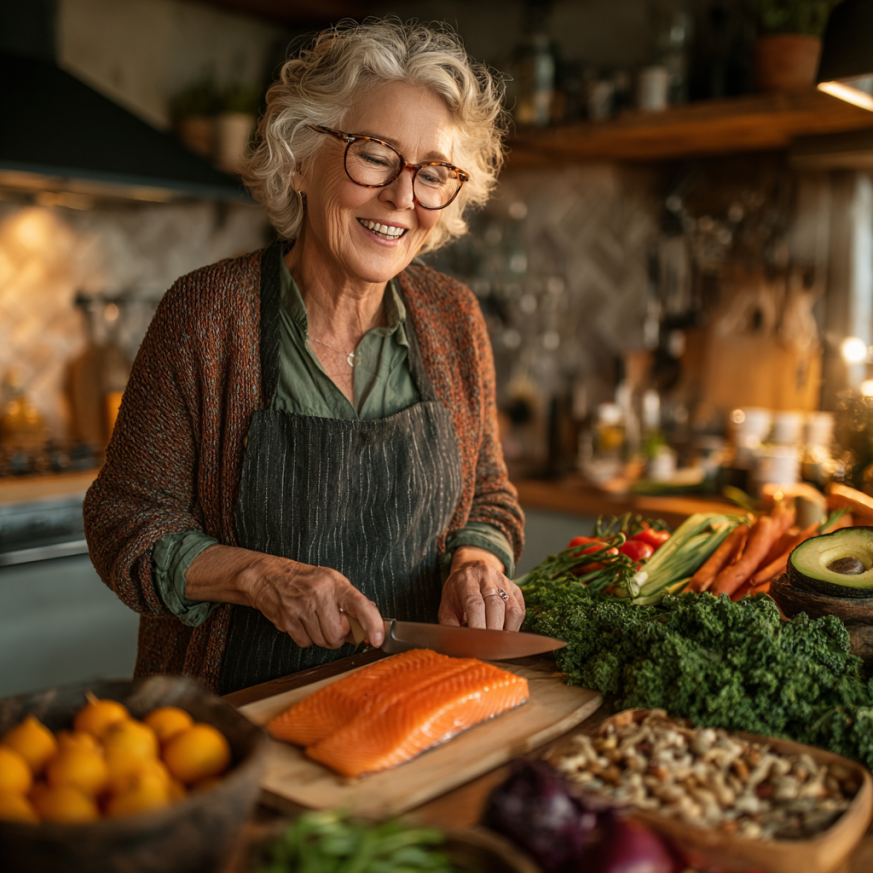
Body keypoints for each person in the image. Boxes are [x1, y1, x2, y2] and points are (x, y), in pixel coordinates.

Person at [84, 18, 525, 695]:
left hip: (415, 703)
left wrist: (476, 559)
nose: (403, 197)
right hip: (229, 724)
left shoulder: (453, 319)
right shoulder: (205, 316)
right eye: (375, 154)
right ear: (297, 157)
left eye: (433, 172)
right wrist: (262, 578)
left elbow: (487, 495)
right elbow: (126, 523)